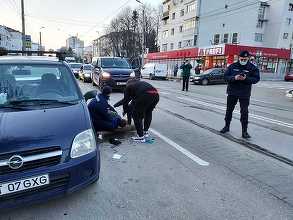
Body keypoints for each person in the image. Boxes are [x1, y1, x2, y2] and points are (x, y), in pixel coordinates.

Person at [220, 51, 260, 139]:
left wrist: (246, 79)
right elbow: (225, 77)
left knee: (244, 112)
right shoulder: (232, 66)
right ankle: (226, 126)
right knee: (229, 110)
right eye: (241, 59)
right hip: (232, 92)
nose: (243, 60)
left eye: (245, 59)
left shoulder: (252, 68)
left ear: (248, 58)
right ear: (239, 58)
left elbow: (256, 79)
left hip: (244, 93)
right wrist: (234, 78)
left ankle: (244, 131)